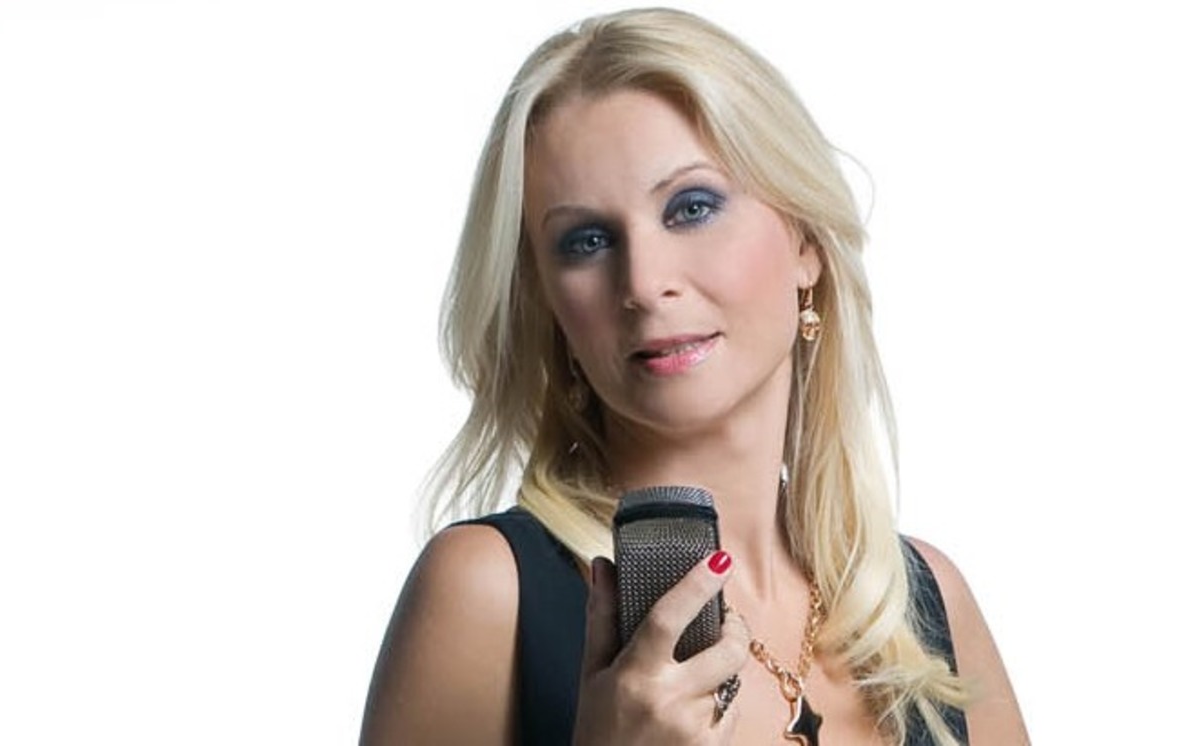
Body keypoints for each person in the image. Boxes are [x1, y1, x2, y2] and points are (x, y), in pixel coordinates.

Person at [360, 8, 1027, 745]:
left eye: (692, 208)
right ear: (548, 304)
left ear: (805, 241)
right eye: (587, 241)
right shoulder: (489, 595)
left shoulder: (924, 608)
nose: (645, 284)